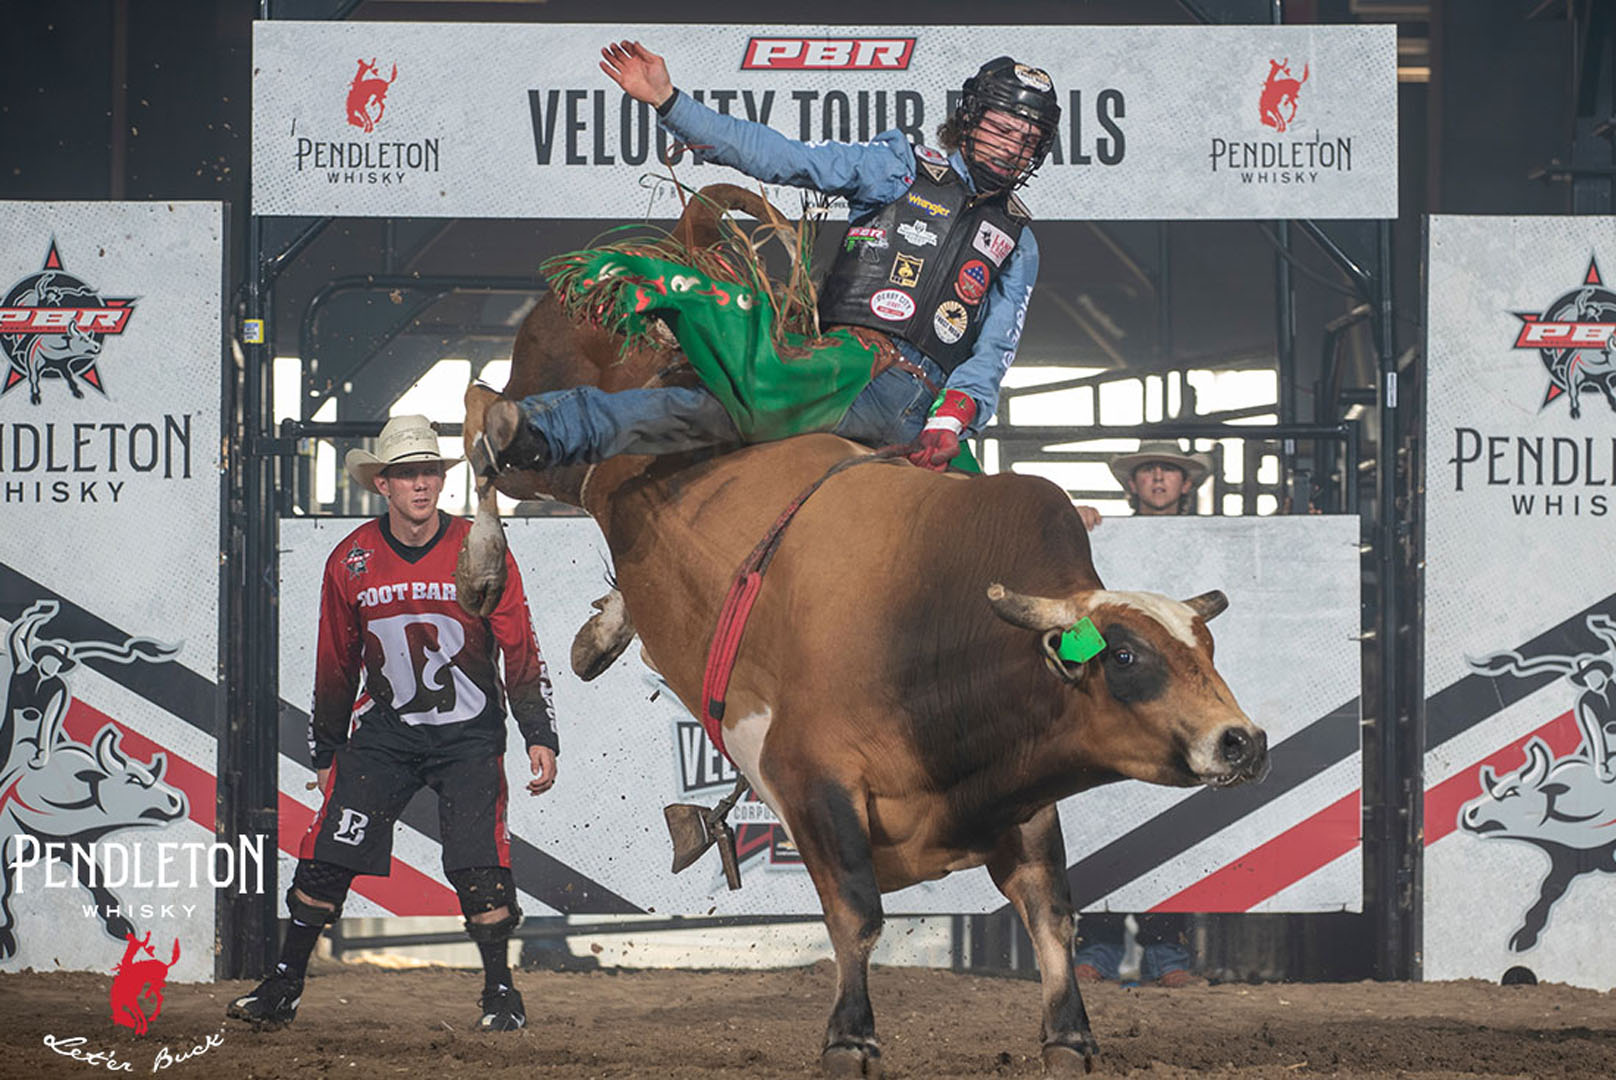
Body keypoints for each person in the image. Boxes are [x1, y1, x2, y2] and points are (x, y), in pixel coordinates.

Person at [475, 40, 1060, 478]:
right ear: (969, 120)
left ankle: (1081, 636)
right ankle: (542, 429)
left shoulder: (1019, 239)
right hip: (850, 368)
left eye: (1026, 140)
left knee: (1004, 530)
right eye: (1002, 128)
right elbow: (786, 158)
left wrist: (952, 418)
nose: (1011, 147)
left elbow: (994, 351)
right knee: (719, 410)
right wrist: (671, 103)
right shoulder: (900, 166)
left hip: (927, 410)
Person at [228, 415, 560, 1031]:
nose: (421, 484)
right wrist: (325, 750)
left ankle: (501, 994)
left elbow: (519, 642)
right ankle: (283, 985)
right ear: (383, 484)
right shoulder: (351, 559)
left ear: (442, 479)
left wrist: (538, 732)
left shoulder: (479, 546)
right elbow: (336, 659)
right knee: (327, 857)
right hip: (386, 733)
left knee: (481, 868)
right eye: (407, 475)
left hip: (468, 733)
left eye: (430, 471)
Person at [1073, 439, 1214, 988]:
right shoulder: (1102, 540)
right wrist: (1078, 527)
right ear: (1131, 484)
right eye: (1148, 471)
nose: (1157, 479)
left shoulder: (1210, 542)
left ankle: (1167, 950)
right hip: (1117, 693)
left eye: (1168, 471)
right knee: (1103, 813)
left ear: (1186, 483)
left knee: (1174, 816)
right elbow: (1087, 612)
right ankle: (1098, 945)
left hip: (1177, 699)